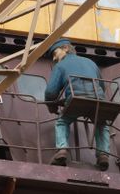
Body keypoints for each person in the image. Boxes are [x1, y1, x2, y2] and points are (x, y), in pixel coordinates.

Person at [44, 38, 110, 171]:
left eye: (55, 53)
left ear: (66, 49)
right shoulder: (91, 62)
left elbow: (51, 92)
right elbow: (102, 85)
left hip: (77, 100)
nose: (55, 58)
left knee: (62, 121)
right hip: (98, 99)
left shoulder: (60, 66)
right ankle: (103, 155)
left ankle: (62, 150)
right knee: (102, 123)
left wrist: (52, 106)